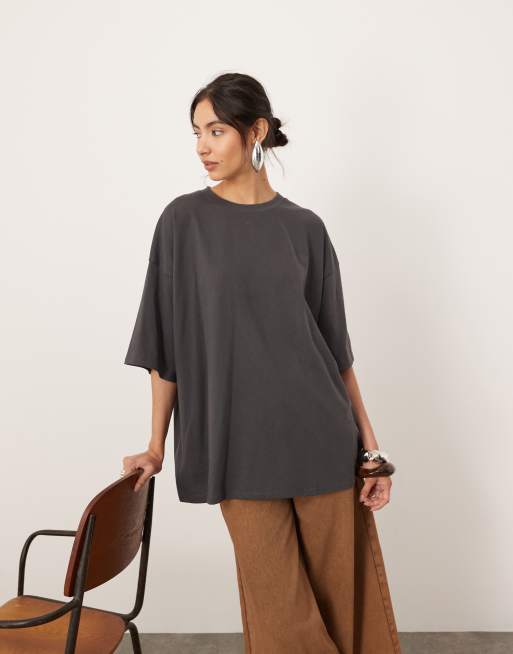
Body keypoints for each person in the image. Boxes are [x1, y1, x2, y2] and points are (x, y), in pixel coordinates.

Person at [121, 72, 401, 653]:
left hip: (320, 437)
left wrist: (371, 452)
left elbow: (336, 350)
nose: (202, 146)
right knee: (280, 614)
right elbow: (165, 344)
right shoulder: (183, 222)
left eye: (216, 131)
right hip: (236, 444)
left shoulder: (305, 228)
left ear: (256, 132)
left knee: (341, 601)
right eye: (196, 132)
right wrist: (154, 443)